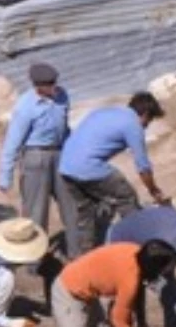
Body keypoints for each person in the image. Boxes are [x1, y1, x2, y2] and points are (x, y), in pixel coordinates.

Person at [59, 92, 169, 256]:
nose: (147, 126)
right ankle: (136, 248)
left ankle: (82, 258)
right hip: (87, 166)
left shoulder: (107, 112)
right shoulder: (133, 125)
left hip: (65, 166)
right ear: (145, 114)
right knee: (126, 197)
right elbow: (143, 167)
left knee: (85, 212)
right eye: (149, 120)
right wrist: (153, 189)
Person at [0, 63, 74, 249]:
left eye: (54, 82)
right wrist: (5, 177)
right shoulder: (25, 107)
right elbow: (12, 143)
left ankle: (76, 252)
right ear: (38, 86)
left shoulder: (62, 97)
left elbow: (65, 128)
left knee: (72, 205)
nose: (54, 87)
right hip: (35, 157)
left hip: (60, 154)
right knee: (36, 212)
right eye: (49, 85)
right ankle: (34, 261)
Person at [51, 240, 176, 327]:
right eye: (163, 270)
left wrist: (141, 323)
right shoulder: (129, 279)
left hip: (89, 289)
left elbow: (138, 292)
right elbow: (119, 319)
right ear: (153, 267)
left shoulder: (137, 252)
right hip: (68, 289)